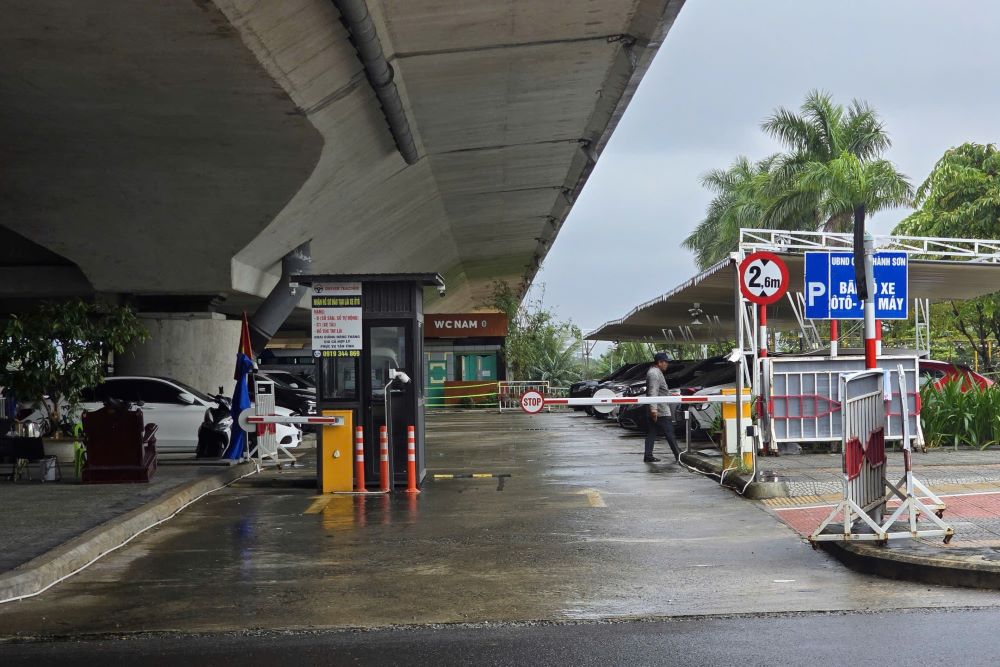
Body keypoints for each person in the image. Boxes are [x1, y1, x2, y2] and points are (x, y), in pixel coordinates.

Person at [644, 352, 680, 463]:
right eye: (666, 362)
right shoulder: (654, 374)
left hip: (656, 408)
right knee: (669, 433)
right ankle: (678, 456)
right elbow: (653, 392)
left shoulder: (655, 371)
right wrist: (654, 410)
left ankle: (648, 455)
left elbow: (659, 391)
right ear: (659, 362)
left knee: (652, 432)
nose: (667, 364)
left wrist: (669, 394)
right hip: (660, 410)